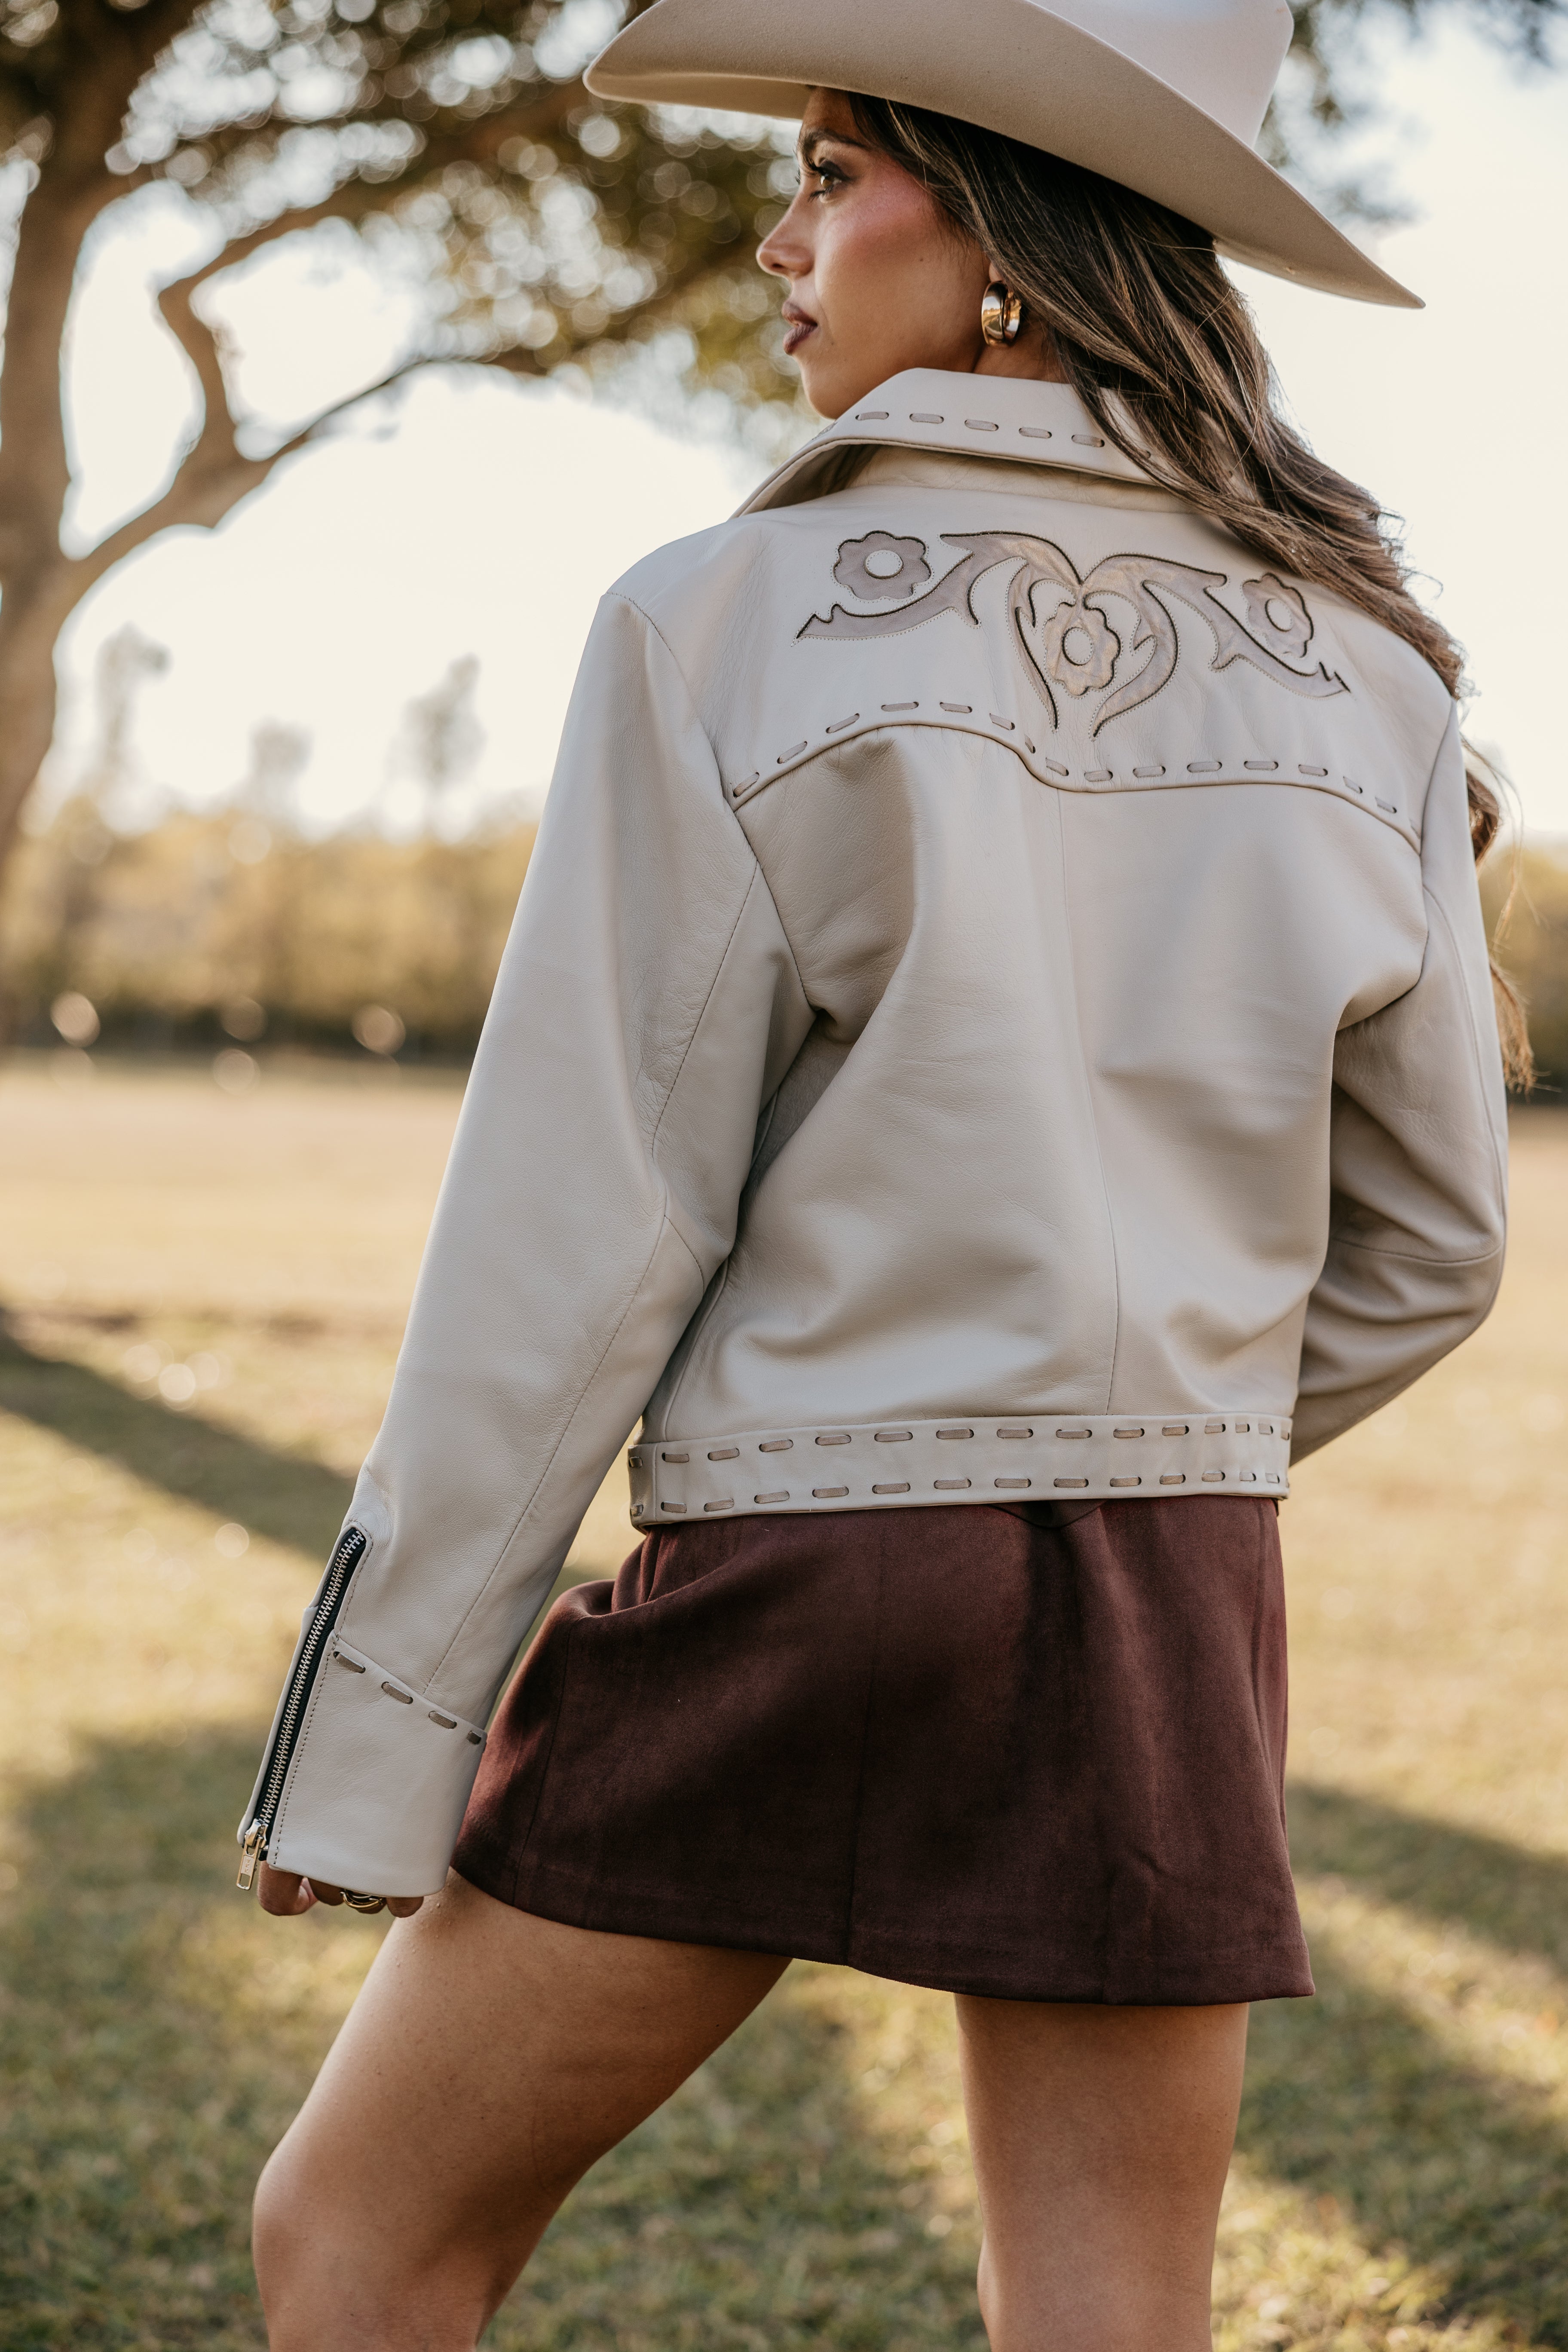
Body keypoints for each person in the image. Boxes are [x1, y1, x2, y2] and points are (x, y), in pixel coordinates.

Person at [243, 3, 1519, 2345]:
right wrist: (1152, 1448)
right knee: (1108, 2317)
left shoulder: (715, 620)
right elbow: (1437, 1249)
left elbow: (575, 1235)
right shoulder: (1379, 672)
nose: (780, 240)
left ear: (1007, 232)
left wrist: (372, 1751)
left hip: (802, 1564)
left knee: (354, 2239)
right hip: (1169, 1597)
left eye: (836, 172)